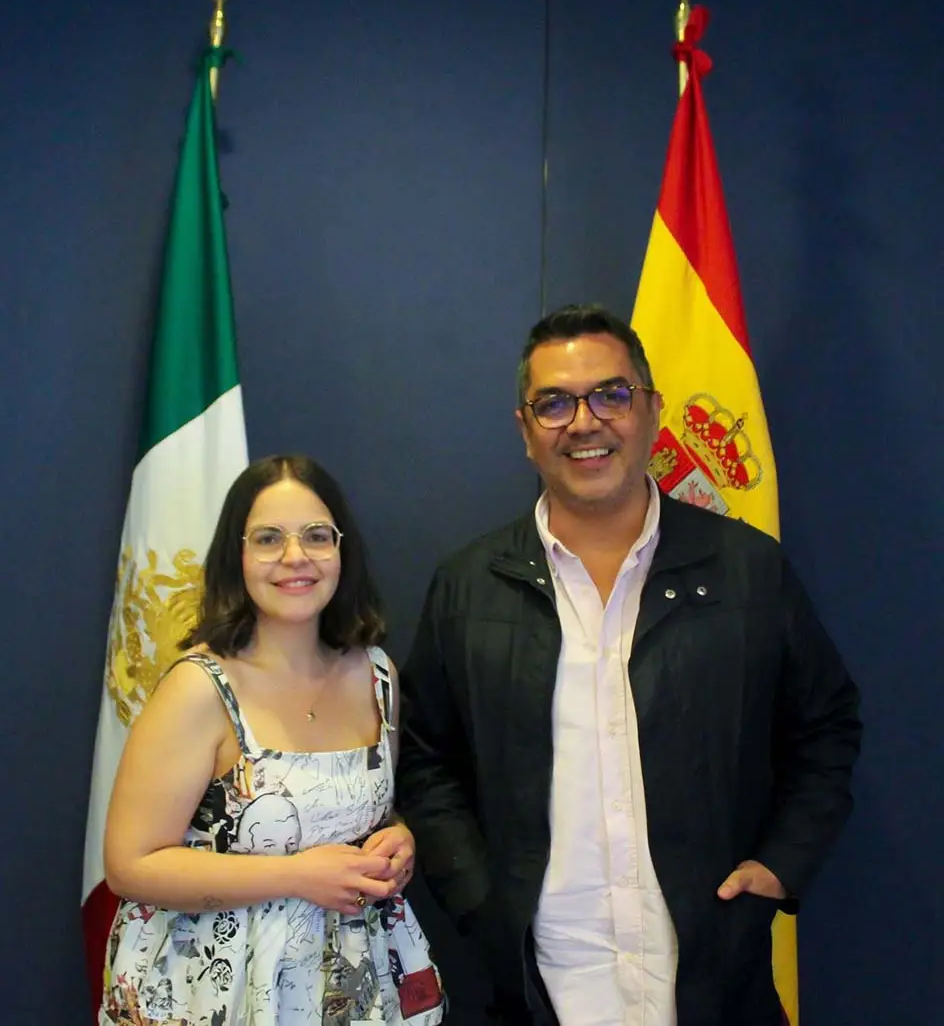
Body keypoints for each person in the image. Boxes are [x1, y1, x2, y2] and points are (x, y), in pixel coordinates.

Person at [395, 305, 862, 1026]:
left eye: (611, 395)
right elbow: (425, 759)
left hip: (715, 980)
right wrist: (480, 899)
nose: (585, 422)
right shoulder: (469, 587)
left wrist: (781, 865)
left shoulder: (746, 570)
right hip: (543, 985)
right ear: (525, 430)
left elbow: (826, 728)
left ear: (652, 410)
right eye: (554, 403)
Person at [100, 454, 445, 1026]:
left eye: (316, 536)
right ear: (235, 556)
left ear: (342, 551)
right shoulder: (199, 689)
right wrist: (298, 876)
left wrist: (398, 838)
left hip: (354, 985)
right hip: (216, 990)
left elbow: (367, 812)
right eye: (268, 538)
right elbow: (131, 866)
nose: (295, 556)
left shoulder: (377, 674)